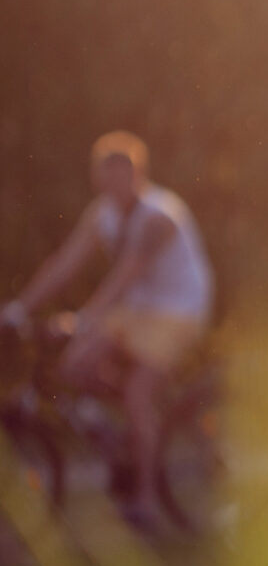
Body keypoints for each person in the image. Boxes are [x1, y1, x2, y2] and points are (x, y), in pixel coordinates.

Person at [2, 131, 215, 525]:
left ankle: (146, 501)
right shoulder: (103, 213)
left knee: (136, 393)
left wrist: (84, 319)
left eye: (124, 174)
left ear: (138, 174)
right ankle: (128, 440)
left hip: (179, 310)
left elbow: (125, 276)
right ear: (99, 179)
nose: (116, 184)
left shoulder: (159, 215)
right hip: (137, 311)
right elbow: (65, 264)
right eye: (107, 176)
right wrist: (18, 309)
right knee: (72, 367)